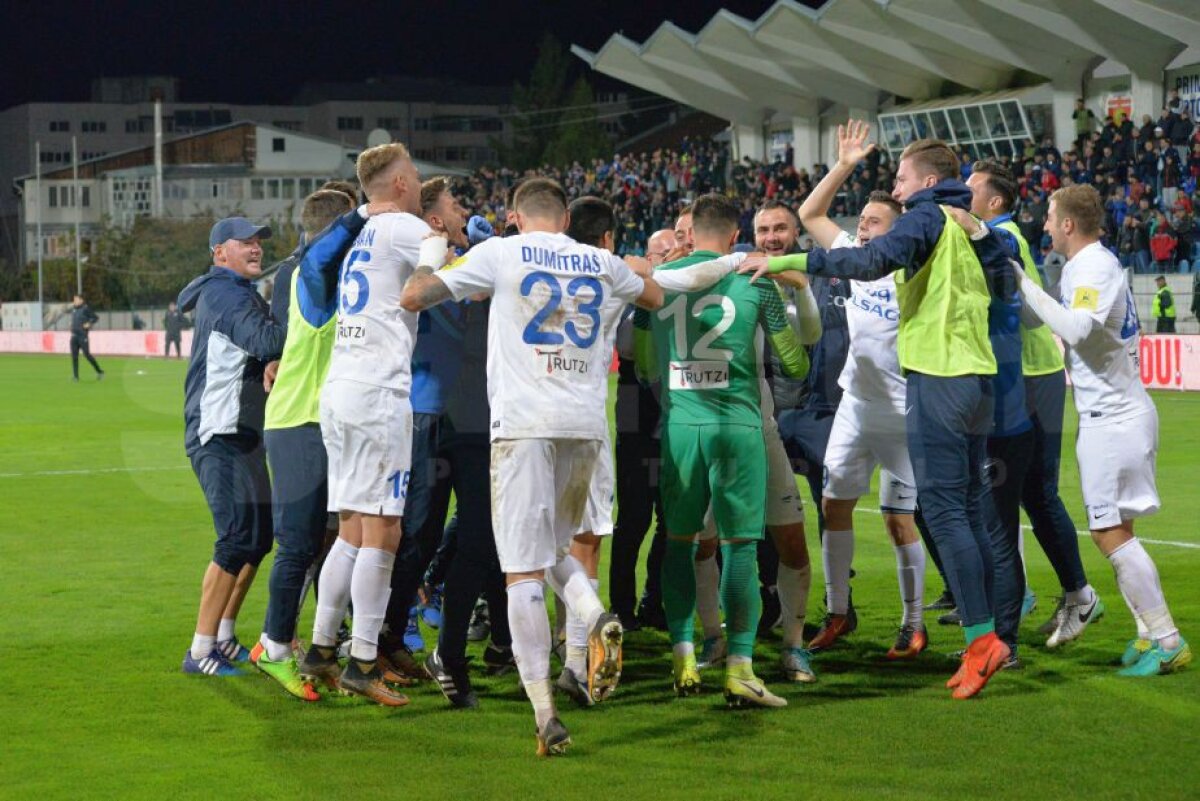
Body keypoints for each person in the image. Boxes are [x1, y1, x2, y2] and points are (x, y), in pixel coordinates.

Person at [401, 177, 668, 756]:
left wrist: (429, 252)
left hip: (522, 424)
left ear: (517, 218)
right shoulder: (597, 259)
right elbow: (654, 297)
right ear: (567, 216)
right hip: (584, 425)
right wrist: (633, 265)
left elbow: (414, 297)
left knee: (522, 569)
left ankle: (545, 714)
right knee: (558, 549)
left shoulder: (499, 252)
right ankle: (593, 612)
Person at [743, 137, 1016, 699]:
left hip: (937, 380)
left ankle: (981, 638)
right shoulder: (963, 226)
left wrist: (787, 259)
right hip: (972, 378)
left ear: (923, 182)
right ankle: (986, 634)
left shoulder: (925, 217)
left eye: (899, 178)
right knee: (961, 508)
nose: (894, 186)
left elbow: (868, 262)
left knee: (941, 512)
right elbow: (1004, 282)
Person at [635, 193, 809, 708]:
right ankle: (740, 668)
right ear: (736, 236)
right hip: (739, 428)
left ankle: (684, 652)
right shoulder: (756, 279)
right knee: (739, 548)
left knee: (679, 542)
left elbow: (644, 363)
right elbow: (795, 366)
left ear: (691, 235)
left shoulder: (658, 283)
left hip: (683, 427)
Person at [1013, 184, 1191, 677]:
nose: (1045, 224)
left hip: (1113, 420)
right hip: (1114, 414)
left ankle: (1168, 639)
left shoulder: (1092, 266)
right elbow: (1050, 317)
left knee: (1108, 532)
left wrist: (1023, 282)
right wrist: (1018, 286)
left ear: (1069, 224)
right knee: (1118, 529)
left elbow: (1075, 330)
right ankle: (1146, 633)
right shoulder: (1083, 267)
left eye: (1050, 217)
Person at [297, 142, 434, 707]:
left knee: (352, 530)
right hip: (379, 393)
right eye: (417, 176)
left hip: (343, 389)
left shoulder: (362, 234)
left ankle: (321, 651)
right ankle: (361, 661)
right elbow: (443, 276)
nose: (422, 184)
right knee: (384, 531)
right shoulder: (404, 225)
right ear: (399, 183)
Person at [252, 188, 402, 700]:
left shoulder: (339, 279)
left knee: (335, 539)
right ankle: (273, 648)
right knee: (297, 543)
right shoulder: (309, 277)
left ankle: (321, 648)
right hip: (298, 421)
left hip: (327, 422)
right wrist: (362, 215)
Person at [797, 121, 924, 660]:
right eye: (863, 223)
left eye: (875, 222)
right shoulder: (852, 254)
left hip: (902, 413)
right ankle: (838, 613)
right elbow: (810, 216)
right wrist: (845, 164)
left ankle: (914, 624)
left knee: (901, 522)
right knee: (834, 507)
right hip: (855, 406)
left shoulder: (913, 271)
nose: (865, 230)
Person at [963, 160, 1101, 652]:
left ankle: (1067, 596)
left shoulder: (1003, 236)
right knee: (1024, 494)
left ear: (995, 200)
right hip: (1029, 374)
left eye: (972, 187)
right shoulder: (997, 232)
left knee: (1031, 493)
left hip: (1032, 375)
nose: (965, 192)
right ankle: (1067, 594)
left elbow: (1021, 314)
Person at [177, 217, 286, 677]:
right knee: (237, 536)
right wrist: (299, 310)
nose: (256, 247)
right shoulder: (224, 294)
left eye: (259, 241)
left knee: (258, 538)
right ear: (220, 252)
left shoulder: (238, 293)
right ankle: (200, 650)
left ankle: (222, 636)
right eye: (245, 241)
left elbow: (264, 349)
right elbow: (266, 339)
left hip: (242, 434)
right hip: (217, 433)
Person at [608, 227, 674, 631]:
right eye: (660, 251)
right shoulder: (631, 297)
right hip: (636, 408)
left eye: (674, 249)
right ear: (646, 257)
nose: (667, 256)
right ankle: (621, 607)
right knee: (633, 517)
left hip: (673, 406)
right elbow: (628, 346)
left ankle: (655, 600)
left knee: (670, 518)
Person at [69, 294, 104, 381]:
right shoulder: (74, 309)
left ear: (81, 300)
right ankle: (76, 377)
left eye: (76, 300)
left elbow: (95, 318)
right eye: (74, 300)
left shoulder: (85, 309)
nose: (74, 301)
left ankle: (99, 371)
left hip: (82, 336)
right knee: (74, 356)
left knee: (87, 355)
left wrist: (89, 323)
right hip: (74, 336)